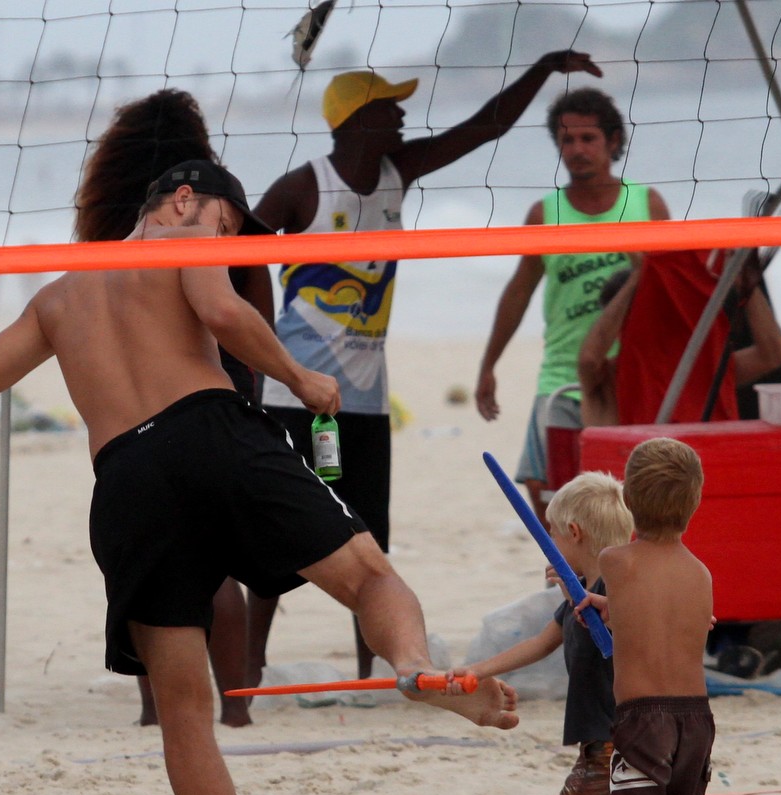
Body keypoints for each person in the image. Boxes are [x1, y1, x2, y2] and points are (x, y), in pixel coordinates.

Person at [0, 159, 518, 795]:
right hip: (208, 431)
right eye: (230, 228)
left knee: (183, 712)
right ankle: (412, 668)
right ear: (182, 200)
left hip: (126, 480)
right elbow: (225, 315)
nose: (232, 243)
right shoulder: (185, 240)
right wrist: (300, 378)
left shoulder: (56, 297)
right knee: (369, 573)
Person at [250, 50, 604, 681]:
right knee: (278, 543)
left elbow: (483, 129)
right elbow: (238, 262)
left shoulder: (397, 170)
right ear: (357, 121)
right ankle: (247, 673)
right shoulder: (302, 187)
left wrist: (542, 67)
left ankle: (369, 673)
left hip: (364, 399)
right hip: (293, 394)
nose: (404, 114)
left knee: (369, 542)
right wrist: (252, 366)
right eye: (391, 106)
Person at [74, 87, 277, 728]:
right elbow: (254, 300)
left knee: (146, 551)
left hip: (135, 398)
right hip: (222, 381)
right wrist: (262, 389)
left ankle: (152, 707)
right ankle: (238, 709)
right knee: (220, 554)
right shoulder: (222, 214)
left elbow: (93, 317)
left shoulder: (114, 222)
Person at [475, 87, 670, 527]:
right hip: (563, 372)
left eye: (588, 138)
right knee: (547, 492)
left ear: (613, 142)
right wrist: (489, 365)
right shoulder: (546, 213)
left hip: (632, 372)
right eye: (567, 140)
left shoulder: (645, 204)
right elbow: (519, 292)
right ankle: (563, 585)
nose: (577, 150)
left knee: (634, 495)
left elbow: (675, 288)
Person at [452, 472, 634, 795]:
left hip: (615, 729)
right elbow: (540, 643)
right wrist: (476, 670)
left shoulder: (617, 594)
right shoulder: (579, 594)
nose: (548, 542)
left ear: (573, 534)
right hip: (601, 730)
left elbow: (631, 636)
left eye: (551, 532)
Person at [590, 436, 715, 795]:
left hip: (643, 717)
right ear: (695, 502)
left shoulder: (615, 561)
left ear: (628, 501)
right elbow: (665, 624)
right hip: (696, 718)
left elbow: (631, 611)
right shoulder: (700, 573)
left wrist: (598, 604)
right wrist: (614, 611)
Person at [576, 249, 781, 427]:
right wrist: (639, 277)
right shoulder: (606, 379)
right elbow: (589, 360)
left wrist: (747, 286)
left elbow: (774, 354)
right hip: (628, 484)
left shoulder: (701, 369)